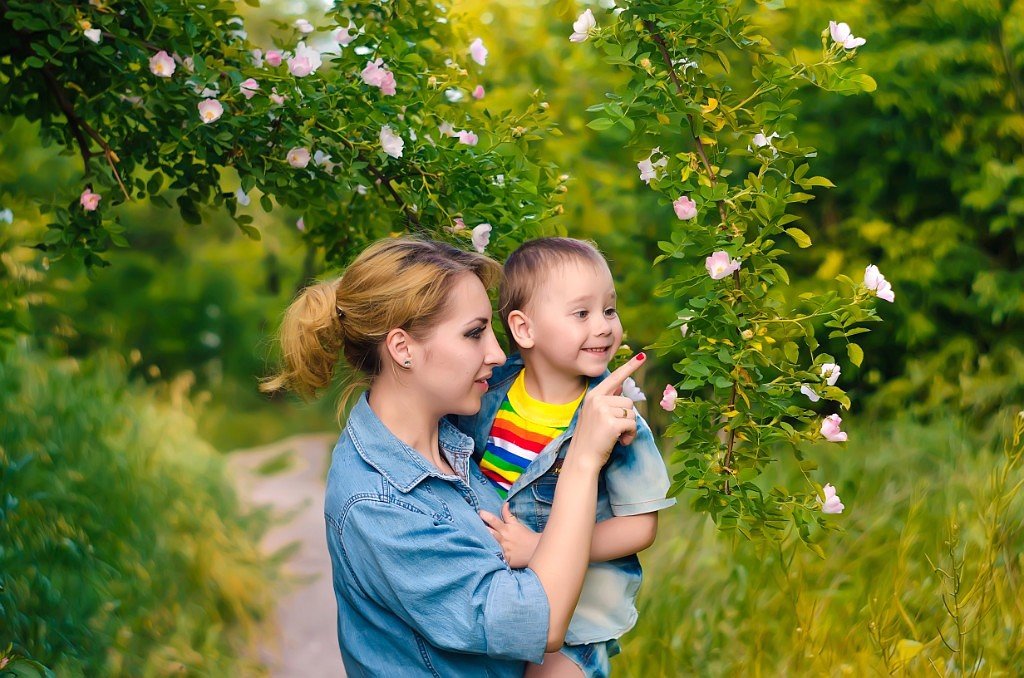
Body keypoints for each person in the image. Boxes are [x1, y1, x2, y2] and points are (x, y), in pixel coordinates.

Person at [262, 237, 647, 676]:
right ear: (403, 349)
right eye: (474, 333)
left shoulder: (459, 434)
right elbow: (538, 625)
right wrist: (582, 458)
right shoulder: (377, 503)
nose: (498, 354)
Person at [451, 237, 675, 678]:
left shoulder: (615, 417)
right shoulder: (488, 392)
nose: (605, 327)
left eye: (609, 310)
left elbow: (640, 527)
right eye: (582, 313)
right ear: (524, 329)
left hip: (575, 625)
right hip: (500, 594)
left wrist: (539, 549)